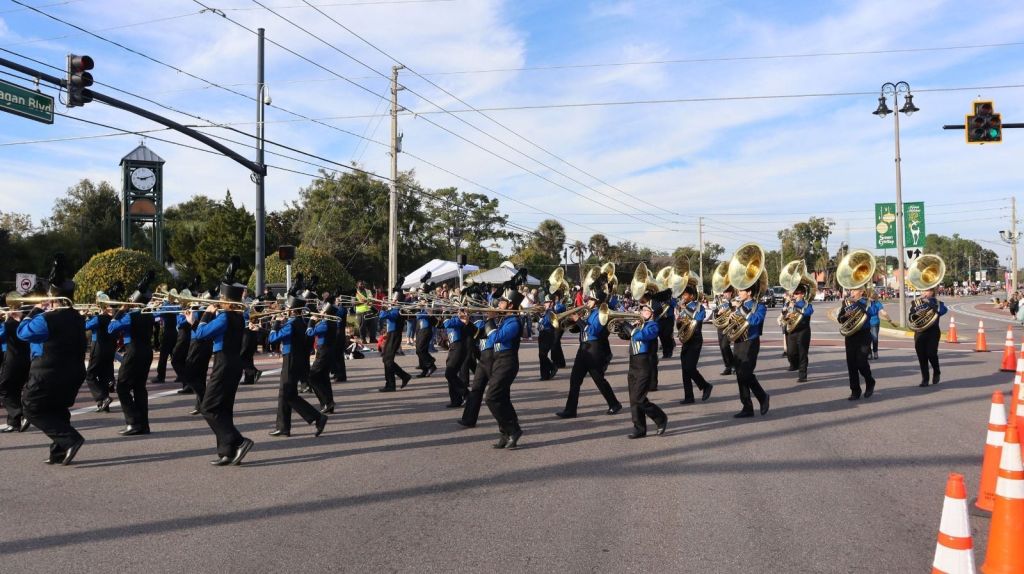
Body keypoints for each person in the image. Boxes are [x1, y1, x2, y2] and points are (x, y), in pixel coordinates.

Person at [17, 256, 87, 464]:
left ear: (54, 298)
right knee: (57, 409)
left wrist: (36, 309)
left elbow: (23, 333)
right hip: (73, 372)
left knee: (30, 407)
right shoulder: (78, 318)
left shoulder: (46, 318)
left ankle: (70, 439)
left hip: (48, 372)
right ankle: (58, 452)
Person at [191, 272, 257, 465]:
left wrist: (205, 314)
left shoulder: (224, 317)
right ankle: (226, 452)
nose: (218, 300)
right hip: (233, 363)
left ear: (226, 300)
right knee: (223, 408)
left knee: (208, 407)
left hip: (224, 363)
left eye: (221, 298)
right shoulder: (237, 317)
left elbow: (201, 334)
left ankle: (238, 440)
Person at [556, 280, 622, 419]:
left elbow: (593, 331)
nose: (588, 301)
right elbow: (580, 329)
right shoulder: (588, 313)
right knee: (575, 380)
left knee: (599, 380)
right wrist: (572, 323)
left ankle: (614, 403)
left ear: (597, 301)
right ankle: (570, 410)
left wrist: (578, 320)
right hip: (583, 348)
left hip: (594, 349)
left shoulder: (601, 314)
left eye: (591, 299)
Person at [268, 294, 328, 437]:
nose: (285, 310)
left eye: (287, 308)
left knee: (288, 395)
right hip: (297, 360)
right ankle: (283, 427)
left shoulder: (291, 324)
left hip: (291, 360)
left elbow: (272, 338)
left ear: (293, 310)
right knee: (284, 394)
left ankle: (317, 417)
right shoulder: (301, 322)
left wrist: (275, 323)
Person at [108, 276, 156, 435]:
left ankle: (133, 422)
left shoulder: (130, 316)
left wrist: (121, 310)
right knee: (139, 387)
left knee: (122, 387)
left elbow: (111, 328)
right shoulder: (149, 315)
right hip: (146, 352)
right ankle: (143, 424)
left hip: (133, 351)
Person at [617, 302, 667, 438]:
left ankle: (661, 418)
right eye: (642, 309)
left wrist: (627, 326)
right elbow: (626, 336)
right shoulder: (639, 325)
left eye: (646, 310)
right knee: (633, 399)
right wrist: (620, 326)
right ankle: (639, 428)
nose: (642, 312)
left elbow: (641, 336)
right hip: (633, 363)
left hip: (644, 364)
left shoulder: (654, 326)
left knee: (639, 397)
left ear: (653, 313)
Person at [487, 290, 524, 449]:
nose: (499, 304)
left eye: (502, 301)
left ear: (510, 305)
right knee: (502, 399)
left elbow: (495, 337)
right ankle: (505, 432)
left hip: (507, 362)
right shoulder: (506, 319)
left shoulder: (514, 322)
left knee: (491, 397)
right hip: (499, 361)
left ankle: (513, 430)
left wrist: (490, 320)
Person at [731, 283, 770, 418]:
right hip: (738, 342)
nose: (739, 292)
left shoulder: (759, 306)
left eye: (741, 290)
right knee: (739, 375)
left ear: (749, 292)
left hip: (751, 341)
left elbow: (756, 320)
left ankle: (763, 396)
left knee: (746, 374)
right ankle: (747, 407)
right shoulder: (737, 306)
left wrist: (741, 309)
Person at [837, 287, 878, 400]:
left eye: (855, 290)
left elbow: (872, 312)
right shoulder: (846, 302)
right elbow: (840, 319)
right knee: (851, 364)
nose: (852, 292)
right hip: (850, 335)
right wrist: (845, 316)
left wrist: (858, 303)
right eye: (851, 290)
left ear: (862, 292)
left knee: (861, 362)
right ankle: (855, 391)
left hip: (863, 335)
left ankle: (870, 381)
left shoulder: (868, 302)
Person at [458, 314, 495, 428]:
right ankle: (469, 419)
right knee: (476, 389)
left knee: (499, 392)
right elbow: (478, 334)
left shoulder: (501, 321)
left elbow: (495, 336)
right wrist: (467, 323)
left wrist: (491, 319)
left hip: (494, 357)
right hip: (484, 357)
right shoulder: (485, 321)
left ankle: (510, 421)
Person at [678, 286, 713, 404]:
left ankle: (705, 386)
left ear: (691, 296)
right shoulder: (684, 307)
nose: (683, 297)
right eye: (683, 294)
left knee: (690, 367)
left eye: (685, 294)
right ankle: (689, 396)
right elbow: (680, 322)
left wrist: (685, 309)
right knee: (684, 369)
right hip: (686, 340)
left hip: (695, 340)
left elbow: (697, 319)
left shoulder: (698, 306)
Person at [0, 305, 31, 433]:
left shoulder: (8, 325)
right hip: (26, 360)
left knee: (4, 389)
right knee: (15, 390)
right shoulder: (26, 323)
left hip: (12, 361)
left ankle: (21, 413)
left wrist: (5, 320)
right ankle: (14, 423)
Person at [306, 294, 337, 413]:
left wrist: (311, 321)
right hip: (328, 351)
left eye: (323, 310)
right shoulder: (332, 322)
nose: (321, 311)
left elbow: (310, 332)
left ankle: (325, 402)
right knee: (324, 378)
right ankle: (330, 403)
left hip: (323, 352)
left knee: (311, 377)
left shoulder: (325, 324)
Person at [83, 300, 116, 413]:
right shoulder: (112, 319)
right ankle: (103, 404)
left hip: (98, 348)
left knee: (89, 375)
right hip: (110, 349)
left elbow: (85, 326)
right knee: (103, 376)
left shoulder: (98, 319)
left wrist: (84, 315)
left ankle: (102, 397)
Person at [378, 287, 411, 392]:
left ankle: (394, 382)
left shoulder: (398, 311)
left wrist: (383, 308)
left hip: (395, 336)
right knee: (386, 359)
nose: (392, 301)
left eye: (394, 299)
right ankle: (395, 381)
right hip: (391, 334)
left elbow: (384, 315)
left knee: (387, 360)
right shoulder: (394, 309)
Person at [912, 287, 947, 387]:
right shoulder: (917, 303)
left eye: (927, 290)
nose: (924, 292)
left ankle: (936, 371)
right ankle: (925, 379)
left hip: (933, 332)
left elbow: (942, 311)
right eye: (923, 290)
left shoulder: (938, 303)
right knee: (921, 356)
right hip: (919, 332)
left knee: (931, 353)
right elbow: (911, 315)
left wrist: (929, 303)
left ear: (933, 292)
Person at [442, 309, 472, 408]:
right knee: (452, 375)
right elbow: (439, 324)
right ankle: (456, 400)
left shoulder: (459, 318)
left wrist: (446, 315)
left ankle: (467, 394)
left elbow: (447, 324)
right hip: (452, 347)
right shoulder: (454, 318)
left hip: (458, 347)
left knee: (449, 374)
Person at [783, 285, 814, 382]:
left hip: (803, 331)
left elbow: (808, 312)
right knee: (790, 353)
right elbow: (784, 314)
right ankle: (795, 364)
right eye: (794, 293)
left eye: (797, 293)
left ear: (802, 294)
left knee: (803, 353)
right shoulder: (790, 303)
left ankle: (802, 375)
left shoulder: (807, 304)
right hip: (792, 330)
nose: (794, 295)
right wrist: (786, 310)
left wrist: (795, 307)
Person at [714, 286, 736, 376]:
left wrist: (730, 312)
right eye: (723, 292)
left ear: (731, 293)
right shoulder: (721, 302)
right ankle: (728, 366)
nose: (724, 294)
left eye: (726, 292)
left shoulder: (735, 301)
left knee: (725, 346)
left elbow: (737, 311)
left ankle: (733, 365)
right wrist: (718, 313)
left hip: (730, 326)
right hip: (721, 327)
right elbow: (715, 313)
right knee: (722, 347)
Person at [536, 294, 560, 380]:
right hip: (542, 335)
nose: (544, 304)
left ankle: (549, 370)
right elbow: (541, 320)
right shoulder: (546, 312)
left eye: (546, 302)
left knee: (542, 355)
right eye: (544, 302)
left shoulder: (551, 312)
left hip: (548, 335)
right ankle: (546, 373)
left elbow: (547, 323)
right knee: (542, 355)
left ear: (551, 303)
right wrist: (538, 314)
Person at [414, 301, 438, 378]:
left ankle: (431, 364)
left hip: (425, 330)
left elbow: (418, 316)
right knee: (421, 351)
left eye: (421, 300)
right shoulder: (421, 309)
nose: (419, 301)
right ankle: (424, 370)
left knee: (420, 350)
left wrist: (424, 306)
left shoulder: (428, 309)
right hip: (419, 330)